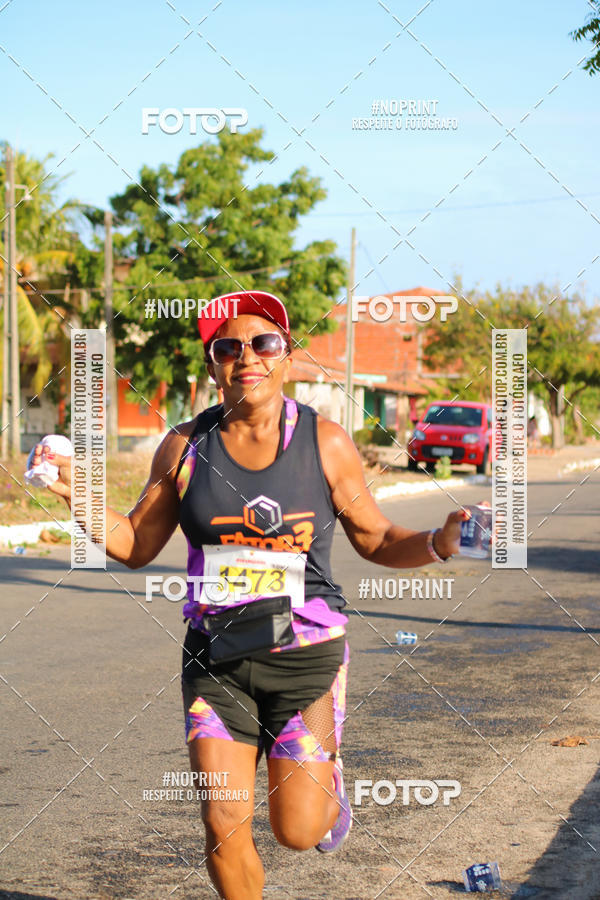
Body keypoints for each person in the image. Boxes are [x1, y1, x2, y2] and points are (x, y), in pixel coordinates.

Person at [33, 290, 467, 900]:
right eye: (227, 348)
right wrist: (76, 491)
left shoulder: (326, 442)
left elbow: (376, 537)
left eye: (262, 343)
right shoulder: (183, 448)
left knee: (297, 830)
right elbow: (134, 543)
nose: (247, 358)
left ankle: (326, 789)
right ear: (213, 365)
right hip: (216, 661)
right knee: (221, 821)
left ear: (285, 353)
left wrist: (439, 543)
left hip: (308, 664)